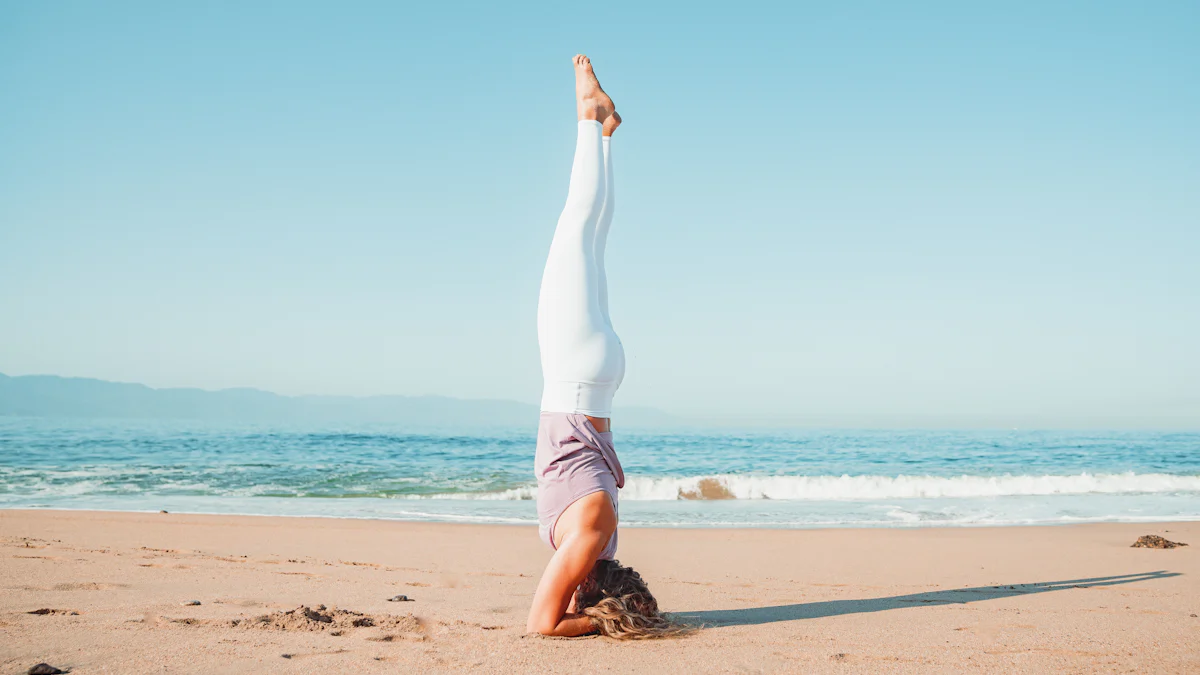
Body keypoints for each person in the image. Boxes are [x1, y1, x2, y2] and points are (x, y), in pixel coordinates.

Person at [525, 55, 684, 639]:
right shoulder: (589, 537)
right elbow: (540, 626)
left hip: (597, 384)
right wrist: (590, 625)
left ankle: (606, 132)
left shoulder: (604, 536)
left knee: (590, 241)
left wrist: (604, 610)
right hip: (574, 379)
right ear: (592, 585)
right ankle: (588, 118)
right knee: (574, 229)